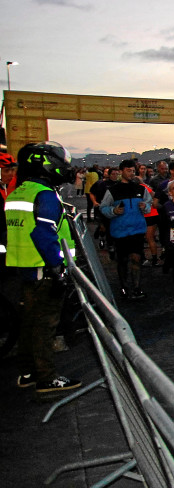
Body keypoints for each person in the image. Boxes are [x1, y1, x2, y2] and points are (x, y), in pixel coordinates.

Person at [4, 141, 82, 393]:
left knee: (28, 324)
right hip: (45, 271)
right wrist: (58, 268)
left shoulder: (18, 192)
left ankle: (28, 372)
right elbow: (43, 234)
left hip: (26, 269)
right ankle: (47, 377)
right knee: (44, 326)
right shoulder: (45, 195)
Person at [100, 160, 152, 300]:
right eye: (129, 170)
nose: (131, 173)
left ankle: (136, 288)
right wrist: (114, 211)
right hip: (120, 230)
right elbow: (103, 208)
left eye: (133, 171)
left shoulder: (140, 189)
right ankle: (124, 287)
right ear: (121, 171)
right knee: (122, 260)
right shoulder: (113, 190)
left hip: (137, 230)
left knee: (136, 258)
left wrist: (145, 207)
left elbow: (149, 204)